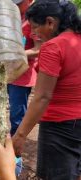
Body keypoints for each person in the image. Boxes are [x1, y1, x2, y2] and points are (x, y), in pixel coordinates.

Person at [12, 1, 81, 179]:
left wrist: (20, 135)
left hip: (59, 127)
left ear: (50, 22)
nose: (34, 33)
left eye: (35, 27)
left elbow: (42, 96)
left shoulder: (53, 47)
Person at [0, 0, 42, 136]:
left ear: (29, 1)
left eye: (18, 3)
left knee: (17, 117)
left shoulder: (35, 19)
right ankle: (0, 140)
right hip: (0, 71)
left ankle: (15, 152)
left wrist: (14, 54)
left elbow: (39, 49)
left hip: (21, 74)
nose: (14, 5)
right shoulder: (9, 15)